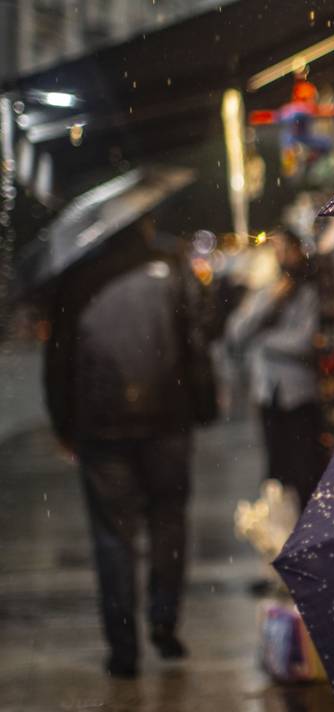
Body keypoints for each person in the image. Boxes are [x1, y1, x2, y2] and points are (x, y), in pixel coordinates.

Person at [44, 218, 216, 678]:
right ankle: (164, 621)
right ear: (144, 222)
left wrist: (64, 423)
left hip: (101, 427)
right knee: (168, 520)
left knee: (113, 537)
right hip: (168, 417)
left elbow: (58, 357)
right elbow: (195, 341)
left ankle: (123, 648)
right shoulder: (170, 266)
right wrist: (204, 404)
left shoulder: (78, 278)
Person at [226, 228, 325, 510]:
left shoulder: (307, 293)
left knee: (306, 471)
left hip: (299, 395)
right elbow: (236, 332)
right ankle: (282, 532)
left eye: (286, 249)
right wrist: (272, 301)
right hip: (267, 394)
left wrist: (263, 342)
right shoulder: (266, 292)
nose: (281, 255)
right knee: (275, 474)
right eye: (276, 249)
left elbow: (304, 342)